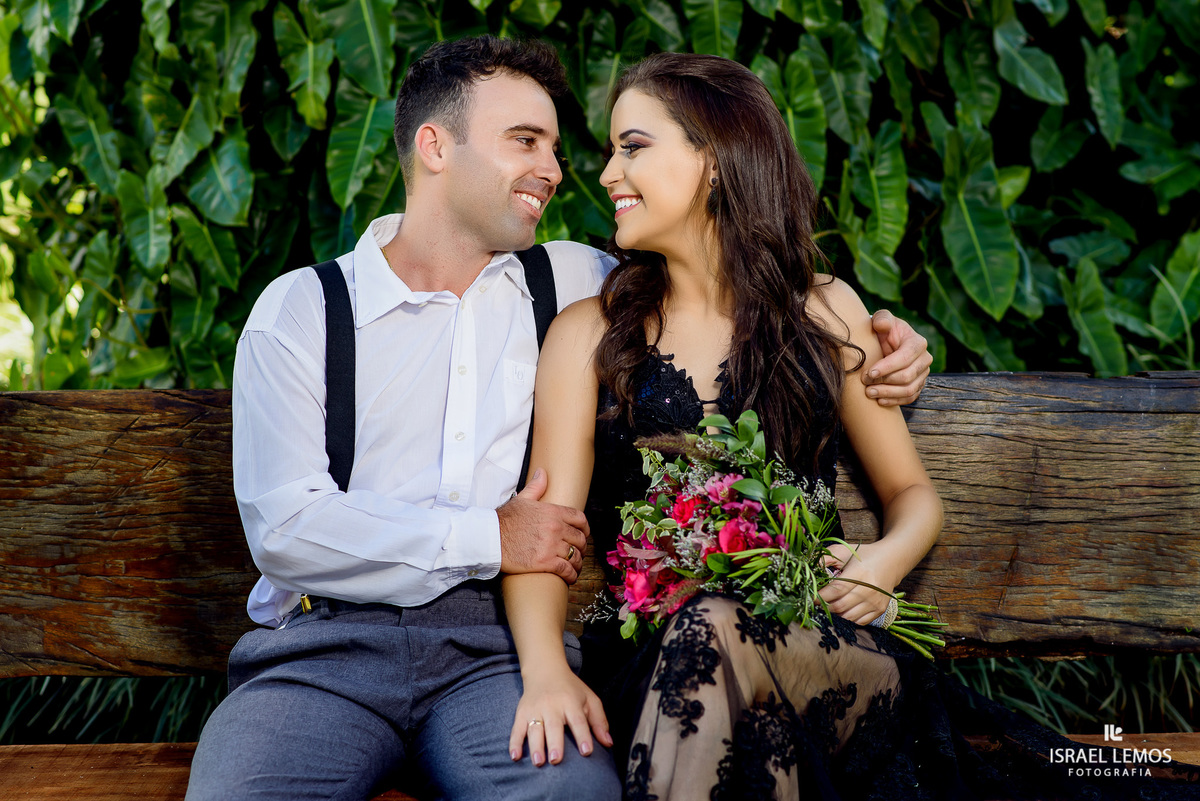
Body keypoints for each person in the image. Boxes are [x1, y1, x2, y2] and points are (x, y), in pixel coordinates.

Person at [186, 37, 932, 801]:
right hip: (326, 651)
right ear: (435, 146)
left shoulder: (584, 282)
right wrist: (492, 535)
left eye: (557, 145)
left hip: (491, 659)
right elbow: (285, 528)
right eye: (525, 141)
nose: (557, 168)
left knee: (574, 791)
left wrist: (887, 339)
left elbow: (725, 284)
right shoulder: (303, 310)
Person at [503, 52, 1200, 800]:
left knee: (717, 639)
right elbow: (547, 531)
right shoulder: (588, 334)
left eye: (633, 147)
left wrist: (883, 563)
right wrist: (545, 673)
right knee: (726, 679)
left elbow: (913, 496)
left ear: (715, 159)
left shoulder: (825, 309)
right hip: (654, 656)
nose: (608, 173)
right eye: (613, 150)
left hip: (827, 646)